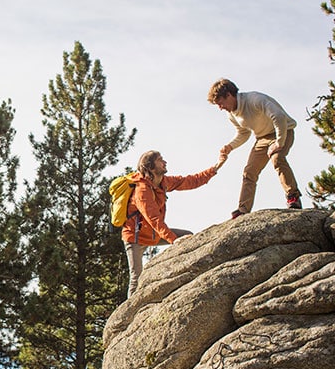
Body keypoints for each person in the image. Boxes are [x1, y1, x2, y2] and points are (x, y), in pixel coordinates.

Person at [122, 150, 225, 297]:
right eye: (160, 160)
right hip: (135, 238)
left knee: (188, 237)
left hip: (154, 234)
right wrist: (174, 240)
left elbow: (190, 181)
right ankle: (128, 317)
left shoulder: (163, 182)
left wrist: (215, 168)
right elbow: (154, 219)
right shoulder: (142, 190)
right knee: (136, 279)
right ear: (150, 167)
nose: (165, 162)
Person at [207, 78, 302, 219]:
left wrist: (279, 143)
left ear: (229, 95)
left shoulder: (254, 99)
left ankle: (293, 196)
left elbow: (279, 116)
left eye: (220, 103)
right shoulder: (231, 114)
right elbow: (244, 133)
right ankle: (243, 209)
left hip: (284, 131)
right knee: (249, 171)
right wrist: (230, 146)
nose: (220, 108)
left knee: (277, 158)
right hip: (262, 138)